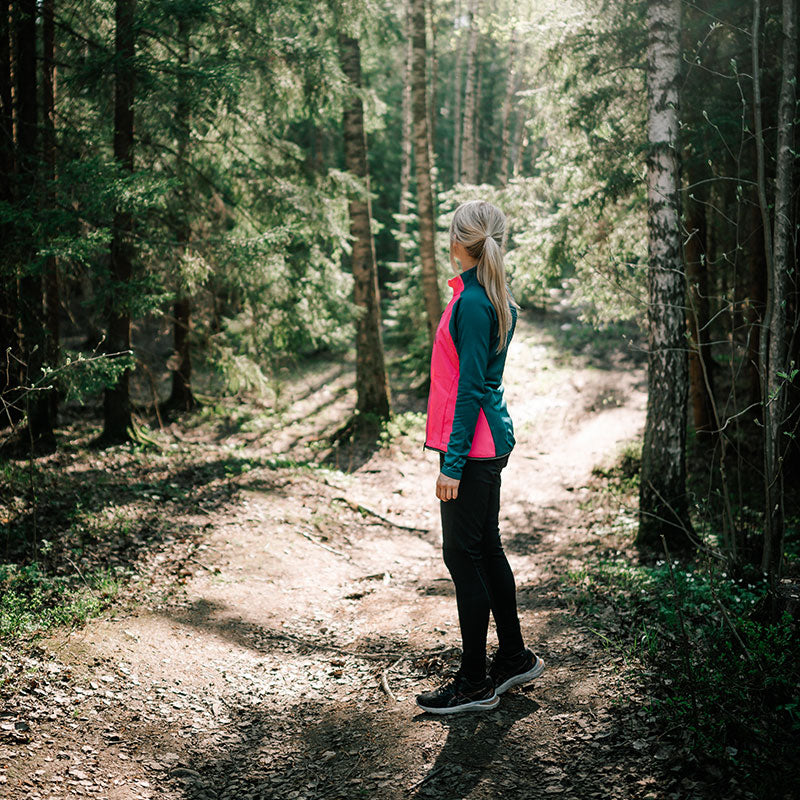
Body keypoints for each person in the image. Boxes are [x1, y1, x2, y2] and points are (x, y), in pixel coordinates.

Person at [415, 199, 544, 715]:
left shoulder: (473, 302)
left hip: (472, 447)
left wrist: (452, 461)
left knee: (462, 555)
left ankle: (475, 682)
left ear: (458, 241)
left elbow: (469, 388)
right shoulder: (490, 297)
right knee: (484, 548)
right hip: (485, 443)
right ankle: (511, 657)